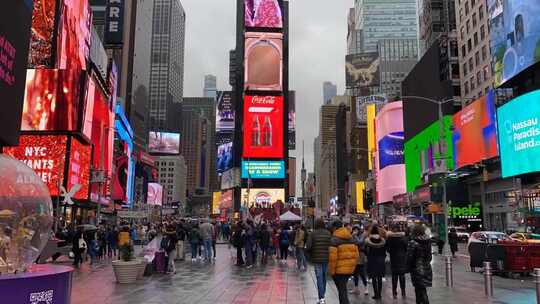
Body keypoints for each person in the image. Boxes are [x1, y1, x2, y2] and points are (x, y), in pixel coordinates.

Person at [328, 220, 359, 304]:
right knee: (342, 289)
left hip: (339, 270)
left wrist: (331, 271)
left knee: (342, 291)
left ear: (334, 228)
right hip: (349, 269)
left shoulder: (334, 240)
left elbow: (332, 258)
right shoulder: (351, 237)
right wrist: (352, 266)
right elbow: (356, 254)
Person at [306, 218, 332, 304]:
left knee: (319, 278)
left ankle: (321, 297)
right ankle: (322, 296)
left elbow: (308, 246)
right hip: (326, 258)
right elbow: (331, 245)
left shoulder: (313, 234)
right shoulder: (328, 233)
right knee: (324, 278)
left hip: (316, 259)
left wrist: (309, 255)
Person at [407, 223, 433, 304]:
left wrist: (408, 267)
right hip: (427, 268)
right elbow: (430, 257)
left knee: (420, 290)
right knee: (421, 289)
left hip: (417, 269)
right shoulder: (428, 241)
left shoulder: (413, 243)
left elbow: (409, 258)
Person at [386, 224, 409, 299]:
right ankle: (403, 292)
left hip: (394, 258)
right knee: (402, 276)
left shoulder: (389, 238)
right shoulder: (403, 238)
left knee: (394, 276)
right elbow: (406, 248)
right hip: (402, 258)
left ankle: (394, 293)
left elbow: (388, 249)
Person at [364, 225, 386, 300]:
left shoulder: (368, 241)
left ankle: (376, 294)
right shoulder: (382, 240)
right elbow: (384, 251)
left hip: (372, 260)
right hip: (380, 260)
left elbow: (365, 250)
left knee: (373, 278)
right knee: (380, 277)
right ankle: (379, 294)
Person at [350, 226, 369, 296]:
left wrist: (354, 236)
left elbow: (359, 242)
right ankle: (356, 288)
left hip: (360, 256)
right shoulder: (352, 236)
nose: (355, 231)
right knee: (355, 273)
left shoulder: (362, 236)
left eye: (356, 229)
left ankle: (366, 288)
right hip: (354, 256)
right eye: (354, 229)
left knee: (362, 273)